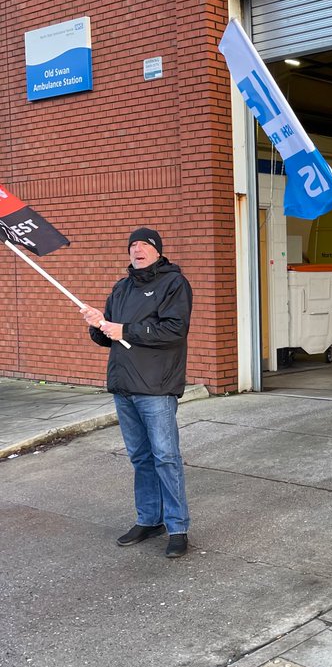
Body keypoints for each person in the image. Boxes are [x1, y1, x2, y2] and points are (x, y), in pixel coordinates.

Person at [80, 227, 193, 558]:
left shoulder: (174, 284)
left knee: (166, 457)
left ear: (157, 250)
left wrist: (125, 329)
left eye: (144, 244)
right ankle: (149, 519)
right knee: (141, 458)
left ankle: (178, 527)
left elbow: (174, 330)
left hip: (156, 387)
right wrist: (97, 323)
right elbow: (106, 337)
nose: (137, 249)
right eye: (132, 245)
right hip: (124, 386)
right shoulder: (122, 287)